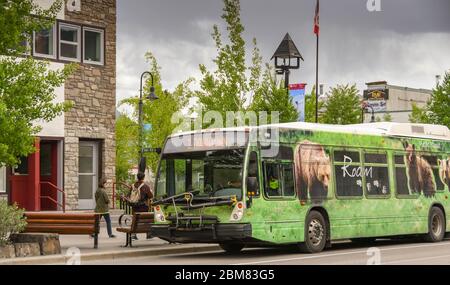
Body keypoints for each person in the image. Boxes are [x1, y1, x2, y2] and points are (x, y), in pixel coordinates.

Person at [126, 172, 153, 240]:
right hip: (143, 206)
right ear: (143, 178)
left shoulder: (133, 186)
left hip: (135, 206)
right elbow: (150, 196)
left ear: (137, 177)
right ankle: (148, 234)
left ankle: (134, 234)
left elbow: (128, 195)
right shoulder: (145, 186)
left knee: (135, 219)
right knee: (146, 220)